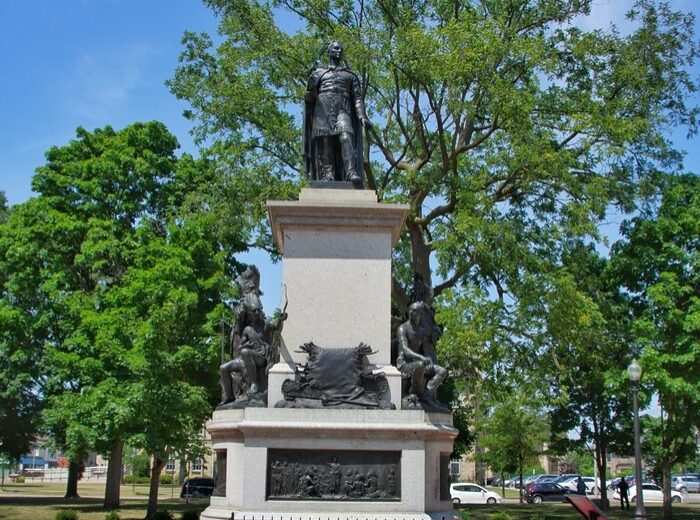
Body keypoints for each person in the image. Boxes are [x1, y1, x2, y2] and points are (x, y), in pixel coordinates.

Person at [303, 41, 370, 184]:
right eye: (336, 48)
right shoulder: (319, 74)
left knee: (346, 137)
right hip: (322, 111)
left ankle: (351, 172)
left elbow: (357, 98)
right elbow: (309, 96)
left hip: (342, 110)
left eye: (341, 49)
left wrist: (362, 116)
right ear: (329, 52)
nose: (339, 51)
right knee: (325, 142)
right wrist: (310, 87)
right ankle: (328, 175)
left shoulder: (350, 76)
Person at [396, 302, 447, 406]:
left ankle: (426, 395)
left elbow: (425, 350)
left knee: (442, 371)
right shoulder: (403, 328)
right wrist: (421, 357)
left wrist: (430, 362)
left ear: (420, 314)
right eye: (410, 309)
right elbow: (404, 349)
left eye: (414, 310)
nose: (411, 312)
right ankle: (414, 392)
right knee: (421, 364)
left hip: (419, 362)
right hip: (404, 364)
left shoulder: (421, 331)